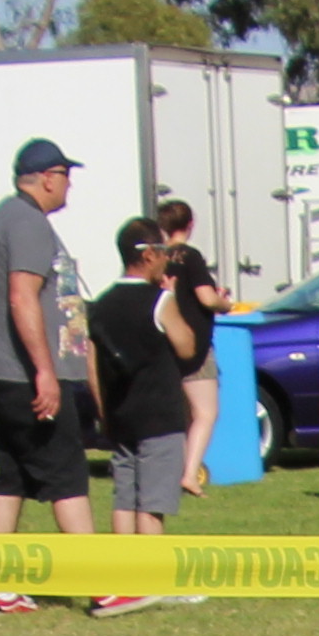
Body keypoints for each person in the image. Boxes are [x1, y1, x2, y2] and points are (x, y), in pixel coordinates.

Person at [0, 137, 100, 612]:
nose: (68, 185)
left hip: (3, 372)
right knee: (67, 472)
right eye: (65, 175)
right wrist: (45, 371)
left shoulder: (8, 216)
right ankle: (103, 584)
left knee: (13, 474)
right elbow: (21, 296)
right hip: (24, 375)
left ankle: (0, 584)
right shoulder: (27, 223)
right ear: (47, 178)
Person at [93, 212, 202, 581]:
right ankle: (150, 578)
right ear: (149, 255)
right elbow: (186, 346)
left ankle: (122, 575)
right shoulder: (158, 301)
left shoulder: (102, 305)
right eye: (164, 252)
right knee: (152, 504)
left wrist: (104, 412)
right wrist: (172, 298)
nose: (167, 260)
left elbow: (93, 365)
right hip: (159, 416)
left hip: (121, 414)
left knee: (124, 499)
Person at [150, 195, 230, 498]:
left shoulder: (156, 257)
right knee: (206, 413)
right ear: (190, 224)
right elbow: (207, 299)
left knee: (183, 415)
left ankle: (176, 470)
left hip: (164, 343)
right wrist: (225, 303)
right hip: (194, 344)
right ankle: (189, 474)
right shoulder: (191, 257)